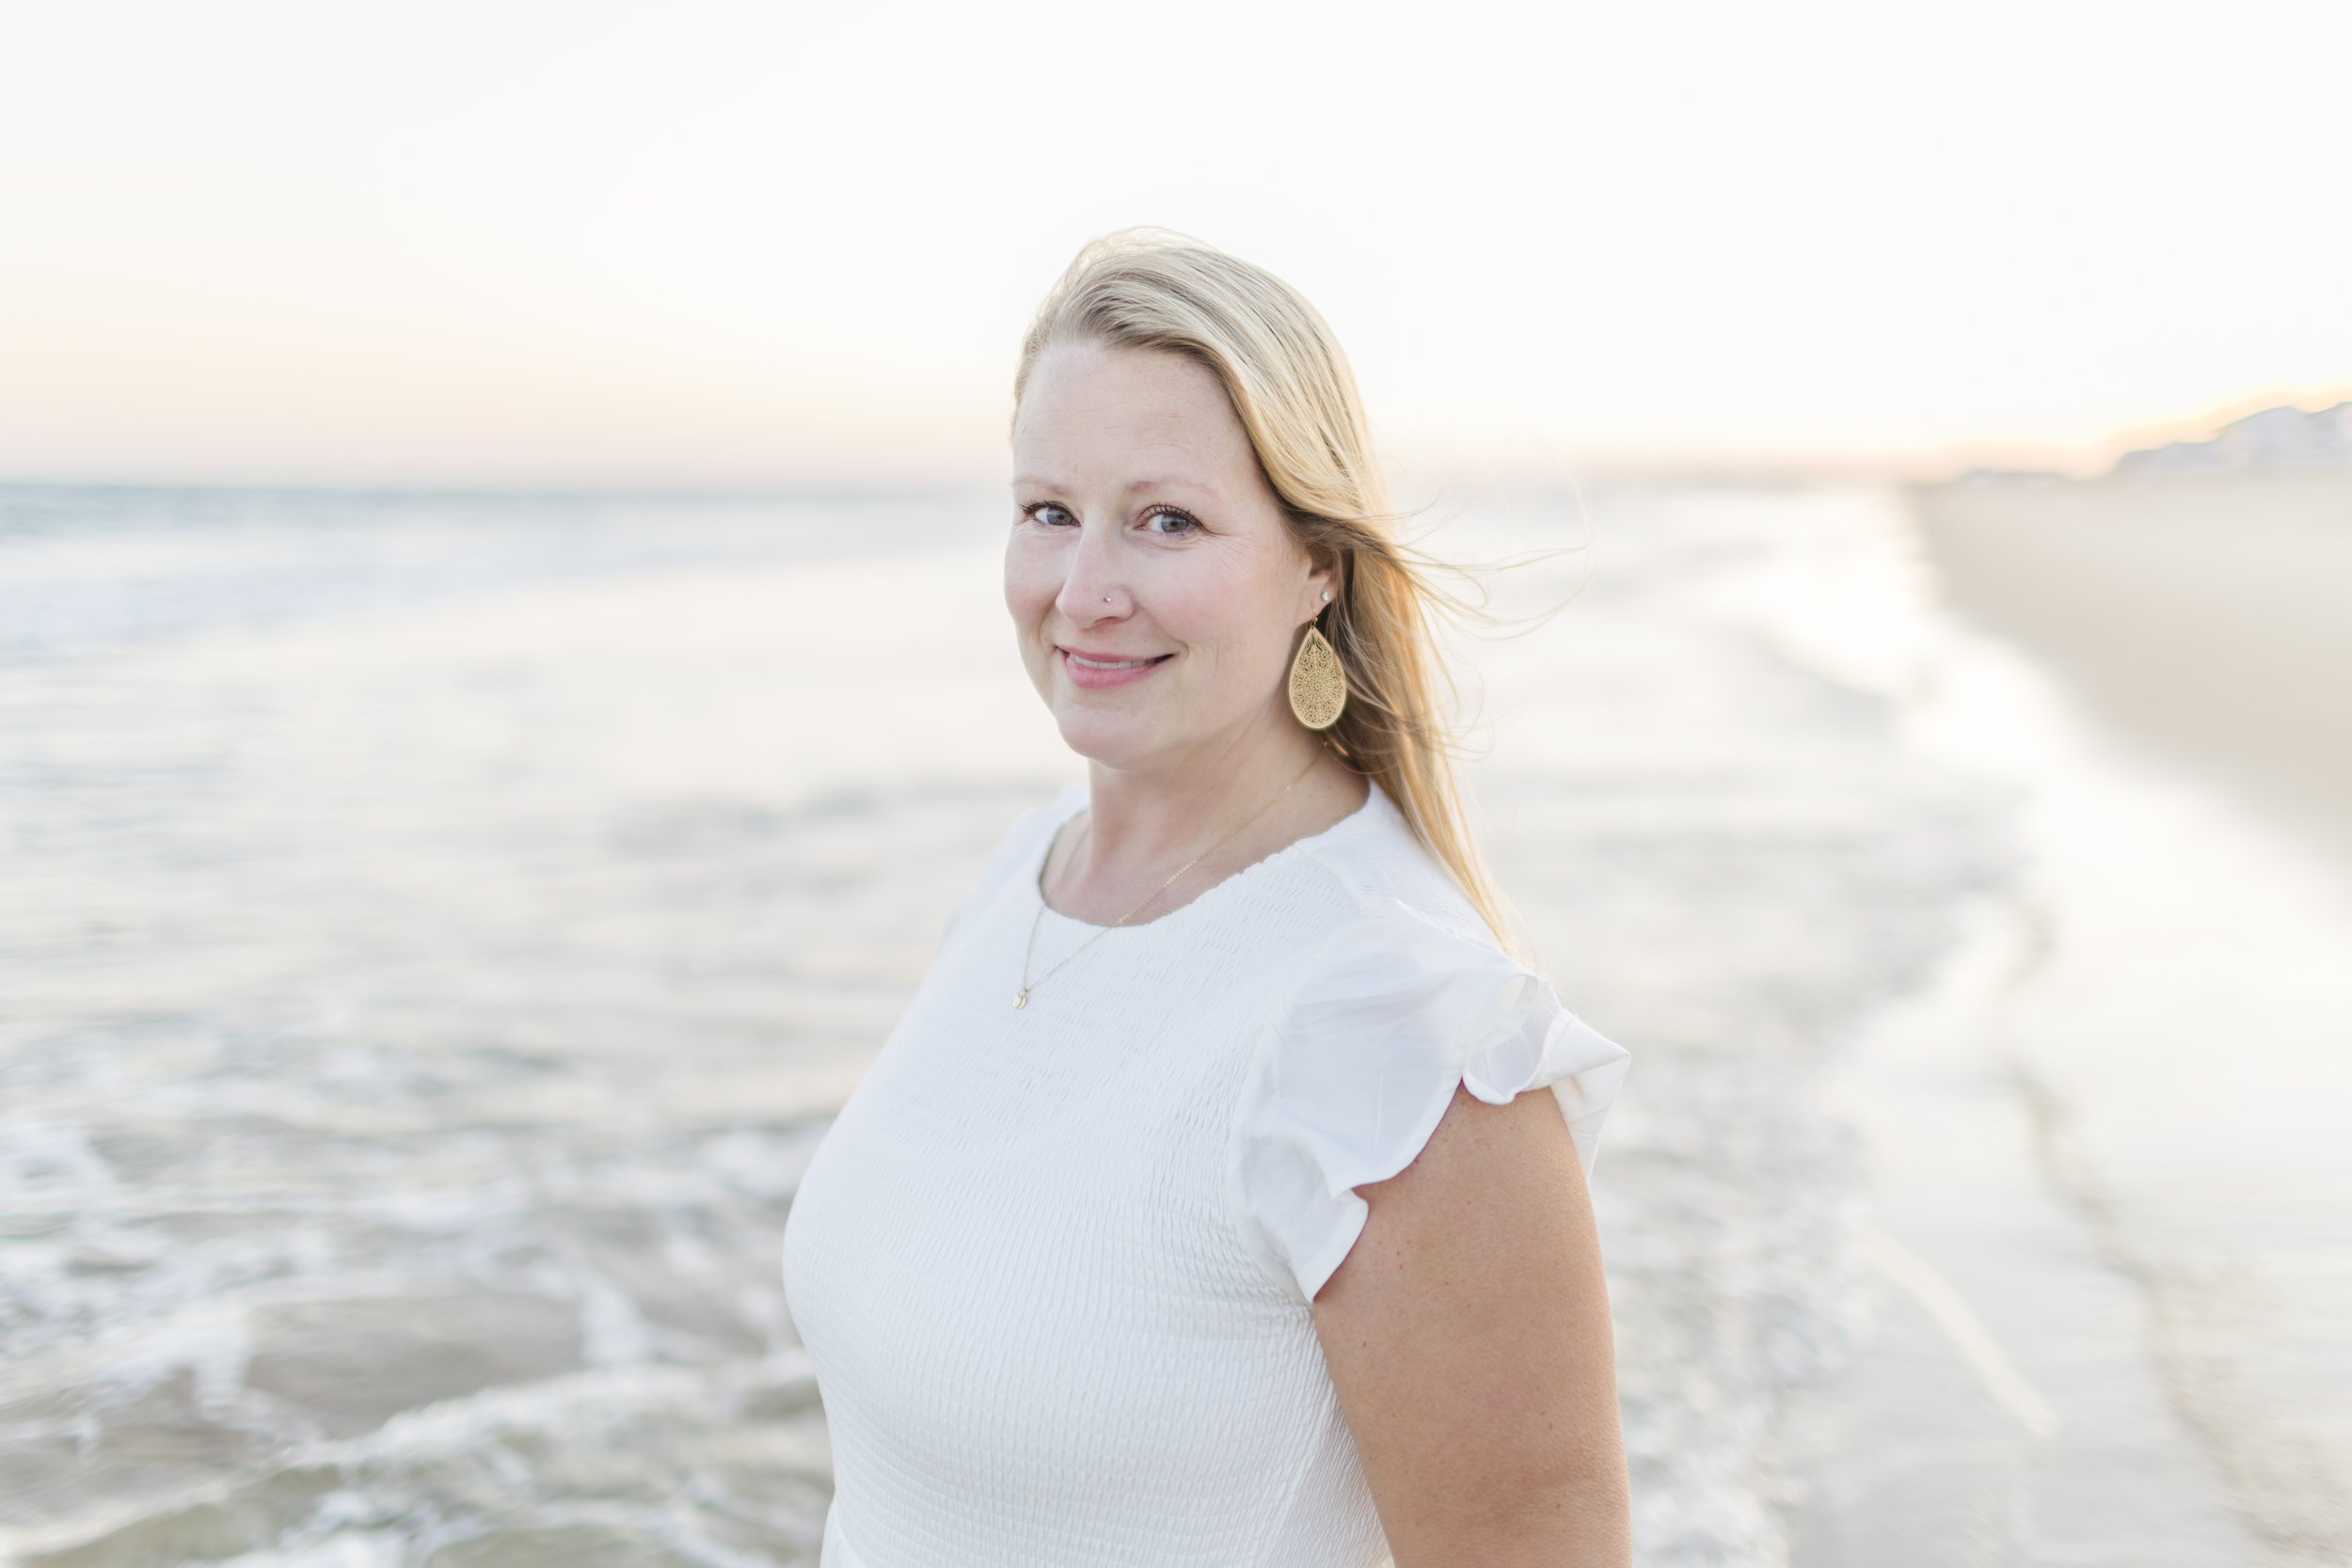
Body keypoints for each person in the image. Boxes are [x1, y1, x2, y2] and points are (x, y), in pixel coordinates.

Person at [780, 228, 1633, 1567]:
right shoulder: (1022, 879)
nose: (1083, 593)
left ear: (1317, 565)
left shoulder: (1404, 1025)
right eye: (1048, 511)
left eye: (1166, 520)